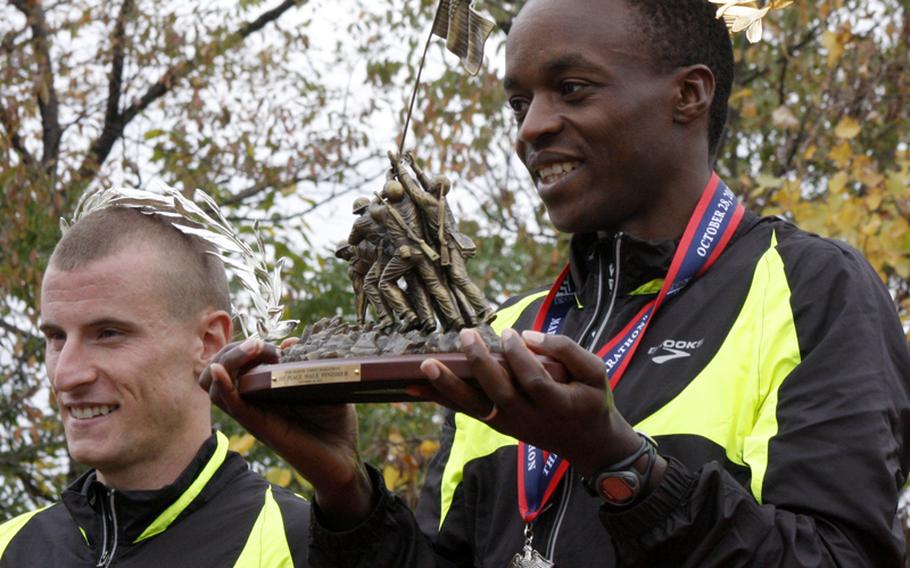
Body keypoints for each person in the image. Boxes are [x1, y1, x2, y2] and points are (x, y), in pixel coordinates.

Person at [203, 0, 910, 565]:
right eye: (519, 102)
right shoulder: (502, 330)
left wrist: (621, 465)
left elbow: (840, 554)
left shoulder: (811, 288)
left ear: (689, 95)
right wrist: (344, 492)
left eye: (570, 88)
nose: (531, 128)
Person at [0, 207, 311, 567]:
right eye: (56, 337)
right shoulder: (10, 547)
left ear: (208, 342)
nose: (66, 376)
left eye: (109, 334)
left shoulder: (306, 546)